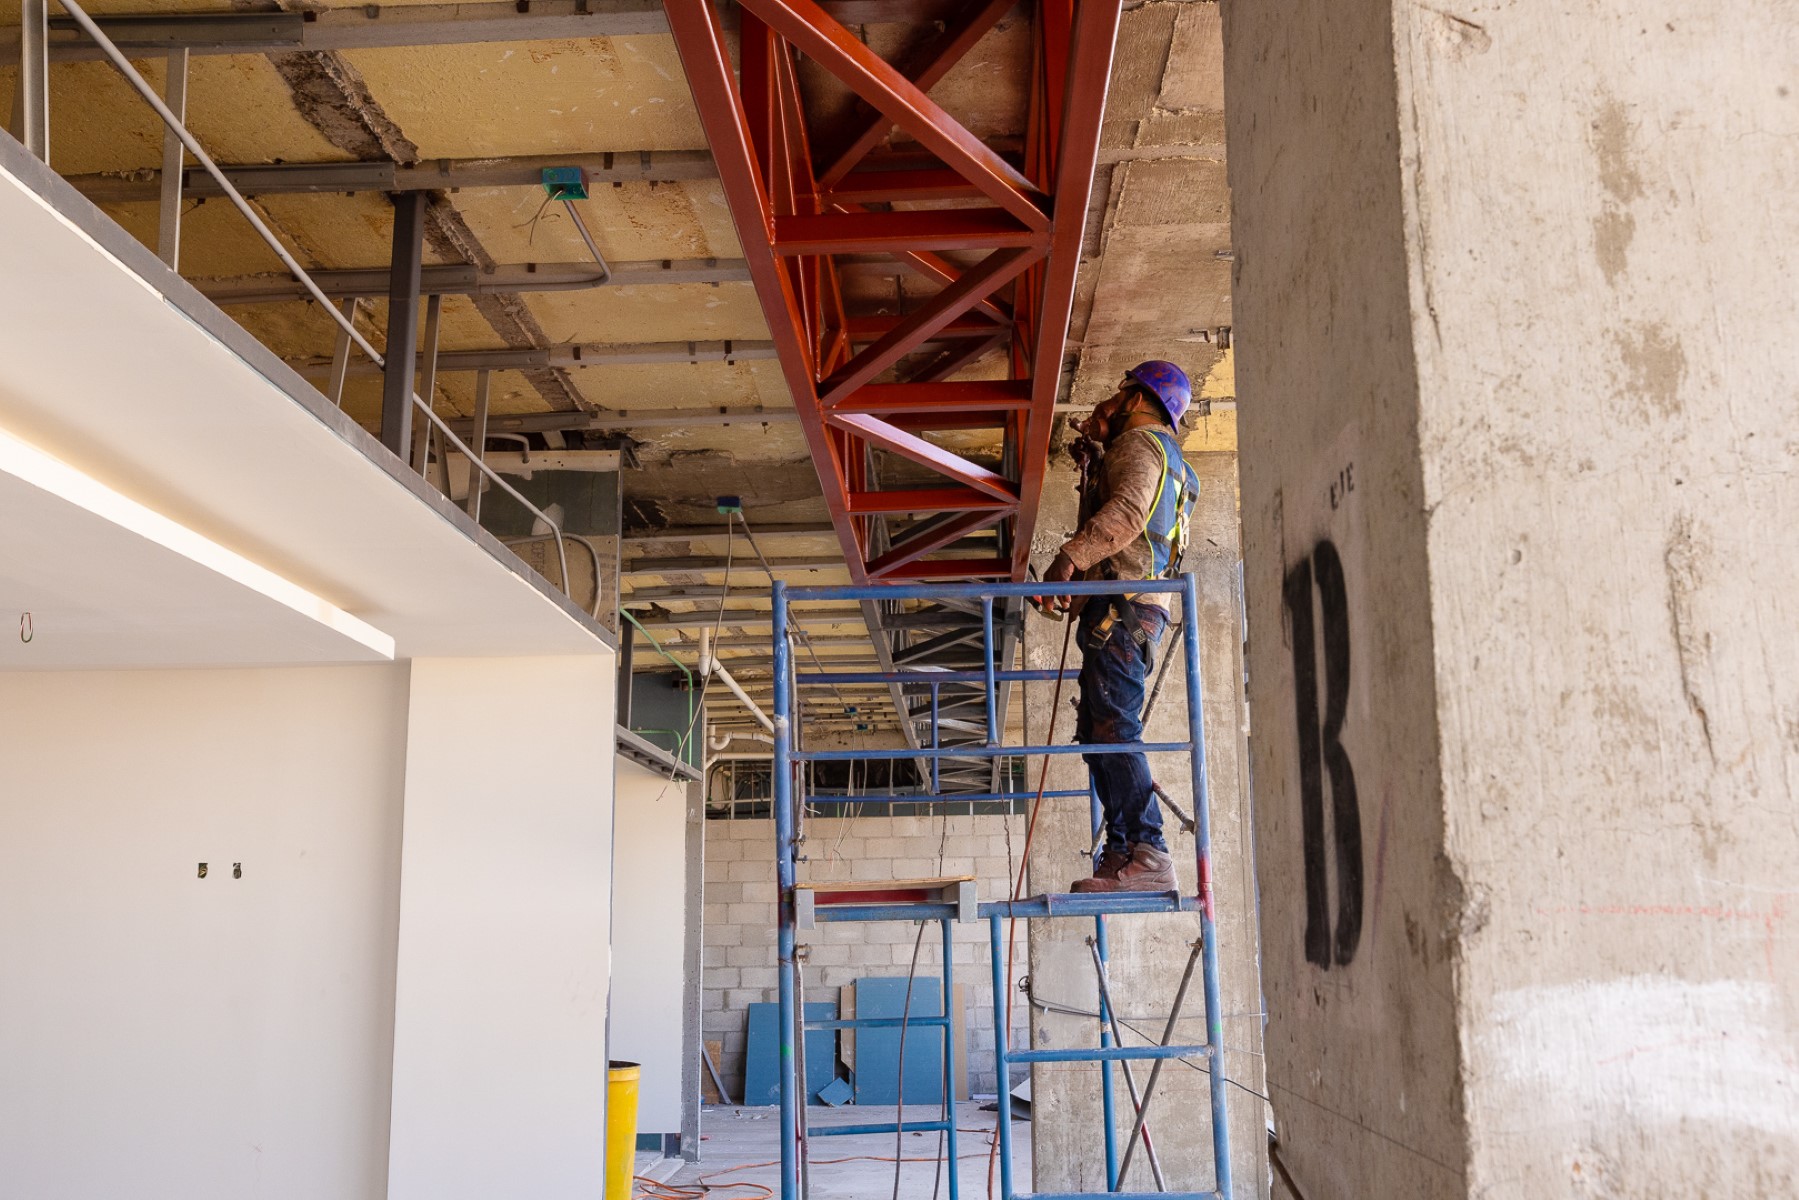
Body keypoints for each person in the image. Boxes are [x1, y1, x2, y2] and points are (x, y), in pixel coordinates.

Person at [1043, 360, 1199, 893]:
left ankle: (1150, 850)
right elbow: (1136, 519)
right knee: (1098, 731)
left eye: (1118, 393)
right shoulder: (1165, 459)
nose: (1107, 403)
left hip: (1123, 608)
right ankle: (1123, 849)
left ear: (1136, 399)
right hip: (1128, 606)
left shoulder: (1139, 445)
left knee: (1114, 727)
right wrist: (1094, 464)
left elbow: (1129, 514)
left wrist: (1069, 558)